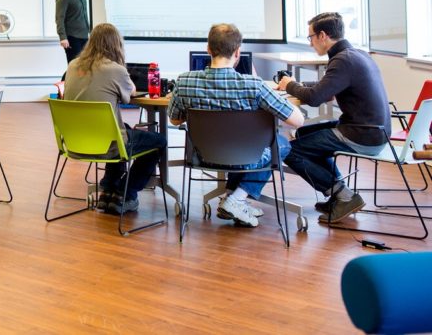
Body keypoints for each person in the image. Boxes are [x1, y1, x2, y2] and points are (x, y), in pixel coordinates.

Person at [169, 23, 304, 228]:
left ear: (208, 49)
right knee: (282, 144)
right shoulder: (254, 85)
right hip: (248, 158)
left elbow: (175, 120)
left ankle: (232, 197)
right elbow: (297, 121)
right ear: (238, 52)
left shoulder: (184, 82)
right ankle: (237, 197)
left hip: (203, 157)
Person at [279, 12, 391, 224]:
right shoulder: (356, 54)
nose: (310, 43)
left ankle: (344, 195)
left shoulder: (343, 61)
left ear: (323, 35)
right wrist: (297, 86)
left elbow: (315, 98)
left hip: (363, 135)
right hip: (374, 131)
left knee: (290, 150)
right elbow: (327, 89)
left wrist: (290, 86)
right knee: (303, 134)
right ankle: (339, 194)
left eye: (310, 37)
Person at [63, 23, 166, 215]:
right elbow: (131, 94)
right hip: (107, 144)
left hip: (75, 142)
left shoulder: (72, 66)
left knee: (120, 128)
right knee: (158, 141)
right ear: (116, 44)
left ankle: (108, 188)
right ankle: (126, 193)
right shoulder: (115, 70)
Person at [55, 0, 123, 67]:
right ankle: (69, 83)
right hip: (72, 38)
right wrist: (62, 37)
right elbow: (59, 18)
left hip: (84, 36)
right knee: (75, 66)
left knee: (86, 65)